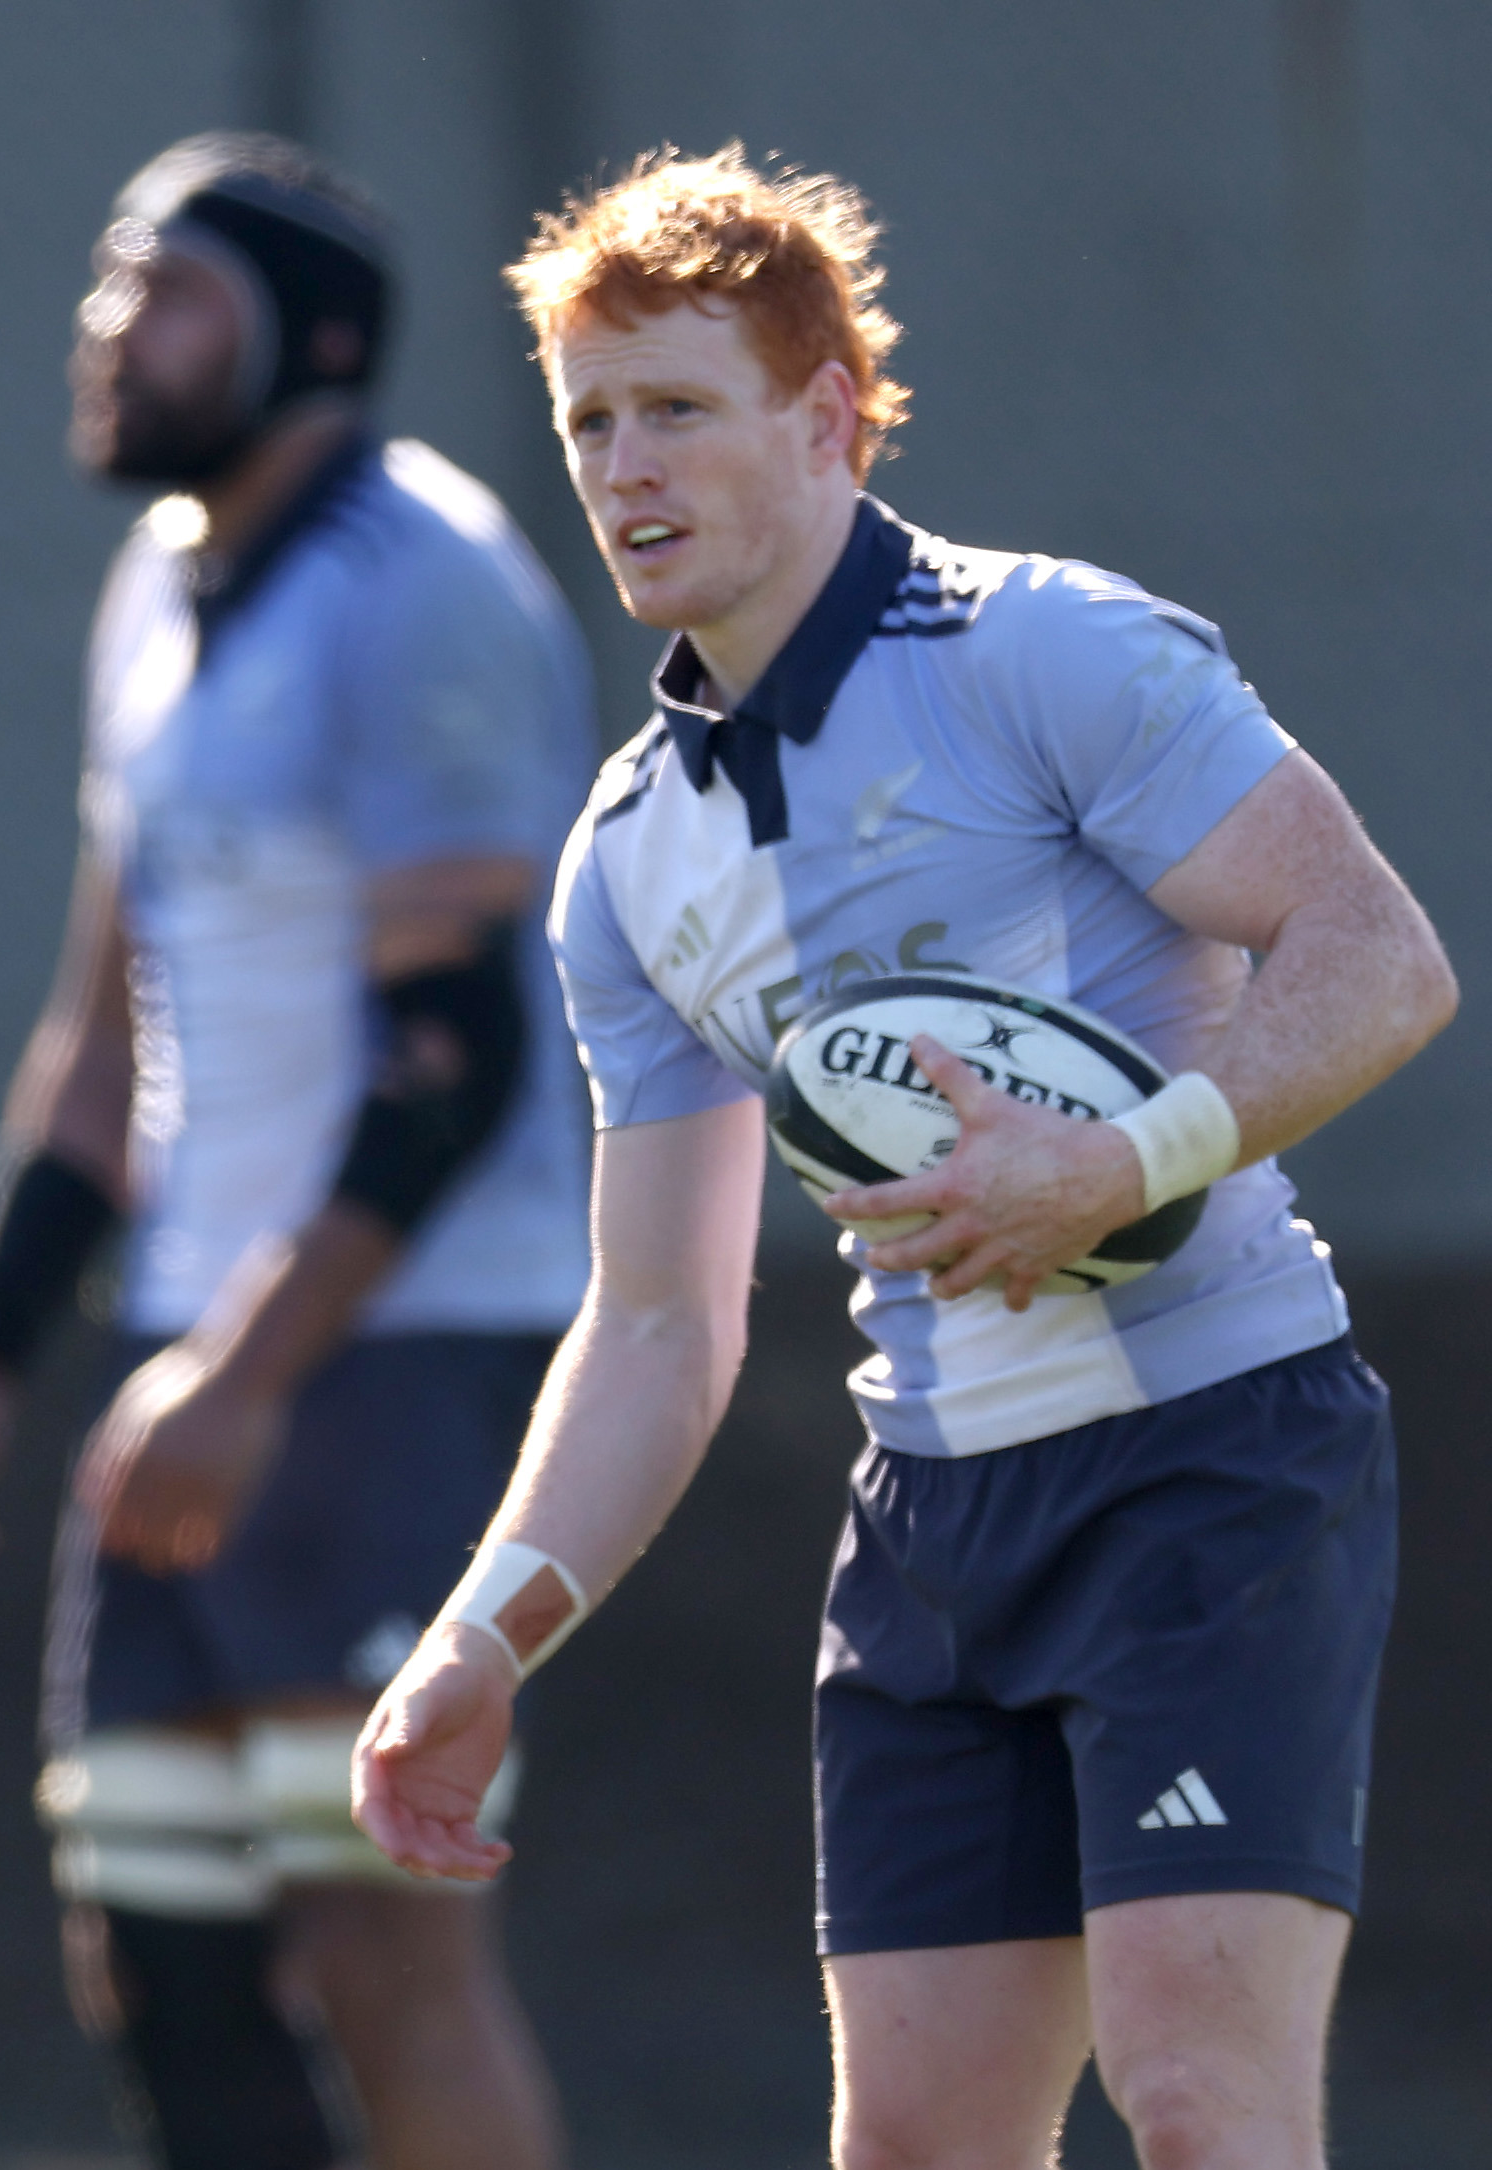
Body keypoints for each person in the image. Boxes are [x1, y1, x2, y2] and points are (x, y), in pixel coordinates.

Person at [354, 148, 1456, 2170]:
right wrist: (480, 1628)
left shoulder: (1046, 652)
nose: (619, 464)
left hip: (1208, 1465)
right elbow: (658, 1315)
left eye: (672, 406)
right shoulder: (624, 861)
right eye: (583, 420)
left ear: (825, 415)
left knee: (1202, 2104)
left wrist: (1121, 1160)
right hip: (931, 1534)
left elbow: (1378, 957)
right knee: (916, 2148)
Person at [0, 133, 590, 2170]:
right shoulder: (153, 587)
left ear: (318, 343)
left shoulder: (425, 582)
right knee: (157, 1953)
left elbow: (453, 1051)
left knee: (386, 1948)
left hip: (387, 1359)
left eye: (167, 290)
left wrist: (246, 1374)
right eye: (105, 282)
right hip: (189, 1354)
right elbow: (102, 1035)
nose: (108, 327)